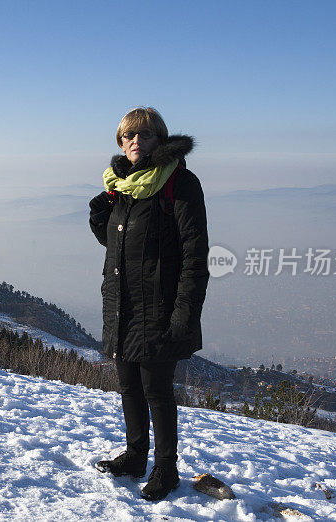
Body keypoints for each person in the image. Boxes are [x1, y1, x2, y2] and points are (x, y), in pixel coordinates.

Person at [89, 107, 209, 501]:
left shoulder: (179, 182)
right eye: (126, 136)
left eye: (143, 134)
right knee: (128, 386)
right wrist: (100, 218)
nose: (134, 141)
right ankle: (136, 456)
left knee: (157, 389)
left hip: (160, 306)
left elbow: (195, 255)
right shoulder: (124, 186)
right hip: (123, 302)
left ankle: (166, 468)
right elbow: (122, 246)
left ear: (159, 138)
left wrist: (184, 312)